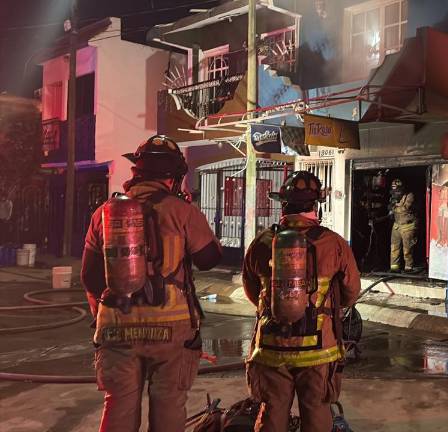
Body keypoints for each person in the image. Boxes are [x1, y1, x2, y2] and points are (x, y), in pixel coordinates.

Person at [80, 135, 222, 432]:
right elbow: (209, 258)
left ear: (136, 172)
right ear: (173, 177)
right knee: (169, 402)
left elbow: (90, 277)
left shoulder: (104, 213)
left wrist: (104, 316)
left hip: (116, 327)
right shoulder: (182, 211)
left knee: (117, 403)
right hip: (172, 330)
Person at [242, 171, 361, 432]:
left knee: (272, 412)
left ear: (283, 204)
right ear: (315, 205)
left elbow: (251, 292)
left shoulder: (261, 243)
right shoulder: (334, 243)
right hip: (319, 350)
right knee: (317, 410)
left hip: (272, 347)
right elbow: (351, 293)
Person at [389, 178, 418, 273]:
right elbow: (390, 206)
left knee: (407, 249)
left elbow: (405, 208)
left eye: (397, 190)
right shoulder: (393, 196)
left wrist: (394, 208)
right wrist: (391, 206)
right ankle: (394, 268)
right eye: (394, 190)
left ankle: (408, 267)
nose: (395, 193)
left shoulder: (409, 196)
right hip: (396, 226)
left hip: (408, 226)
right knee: (394, 248)